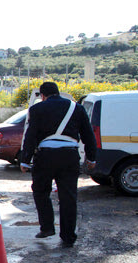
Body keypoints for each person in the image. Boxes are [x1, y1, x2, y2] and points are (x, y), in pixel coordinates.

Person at [19, 82, 97, 248]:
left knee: (41, 191)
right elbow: (88, 135)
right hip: (69, 156)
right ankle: (68, 237)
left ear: (42, 95)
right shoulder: (77, 108)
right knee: (68, 197)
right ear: (58, 92)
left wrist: (25, 160)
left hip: (45, 156)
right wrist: (91, 158)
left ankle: (47, 228)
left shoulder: (37, 109)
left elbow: (30, 135)